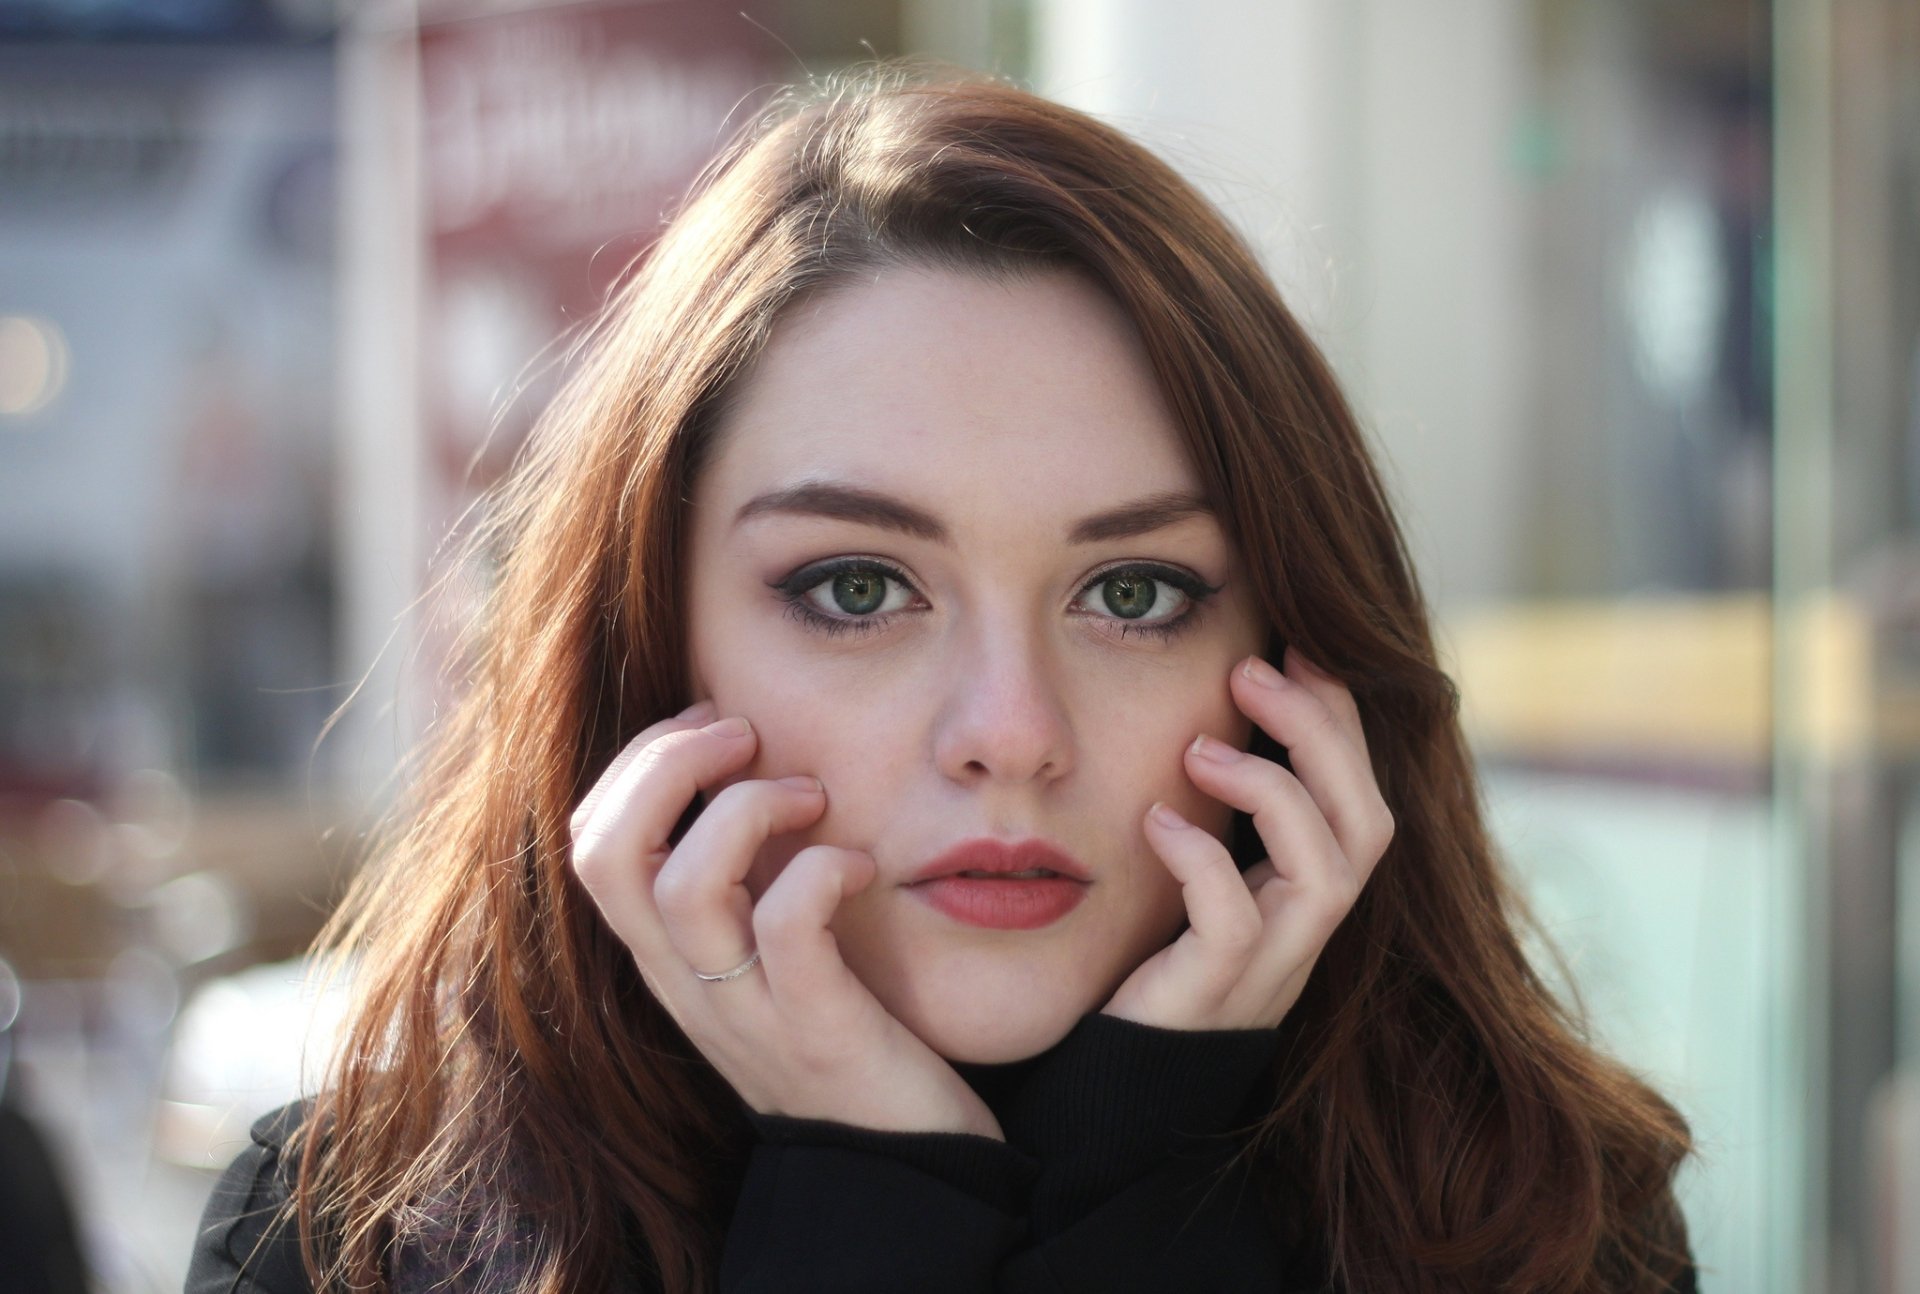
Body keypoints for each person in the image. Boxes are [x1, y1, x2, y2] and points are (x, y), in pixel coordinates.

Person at [187, 65, 1698, 1293]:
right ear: (649, 649)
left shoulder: (1547, 1235)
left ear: (1296, 662)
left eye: (1132, 593)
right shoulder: (346, 1243)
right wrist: (867, 1198)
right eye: (857, 590)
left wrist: (1144, 1164)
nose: (1011, 735)